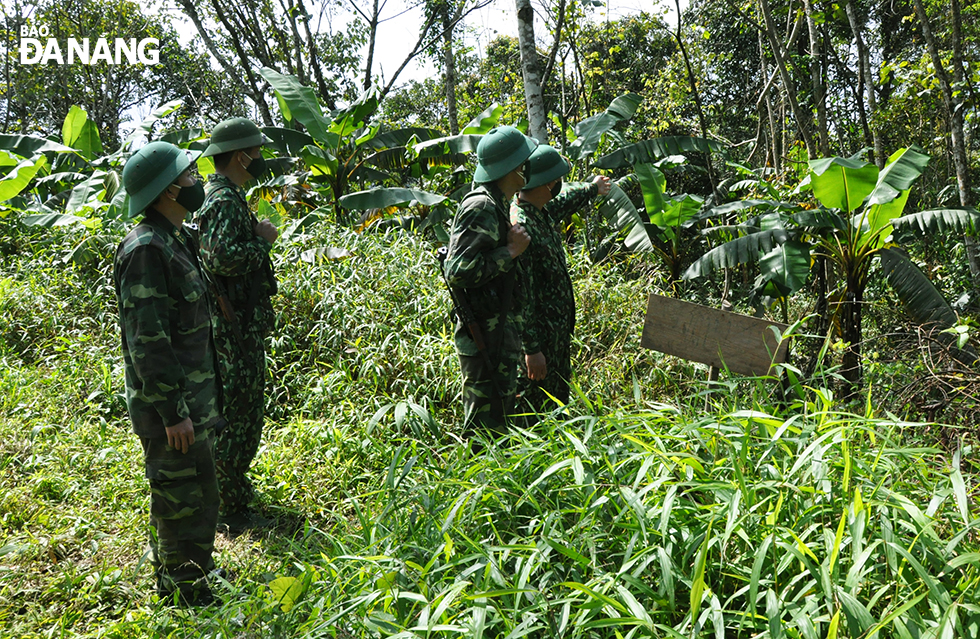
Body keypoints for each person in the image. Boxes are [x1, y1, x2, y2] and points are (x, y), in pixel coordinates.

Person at [114, 141, 220, 606]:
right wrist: (173, 412)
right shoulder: (145, 249)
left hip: (192, 400)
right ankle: (183, 594)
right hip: (171, 408)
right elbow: (147, 341)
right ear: (167, 190)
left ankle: (196, 574)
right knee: (179, 501)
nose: (197, 179)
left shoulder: (176, 239)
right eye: (189, 174)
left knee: (200, 494)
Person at [195, 118, 278, 534]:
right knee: (239, 414)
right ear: (240, 155)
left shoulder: (227, 196)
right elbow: (221, 258)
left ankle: (233, 496)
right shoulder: (224, 200)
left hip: (239, 322)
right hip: (232, 327)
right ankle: (230, 508)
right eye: (256, 152)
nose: (260, 158)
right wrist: (262, 239)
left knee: (243, 412)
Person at [443, 125, 537, 439]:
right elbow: (458, 269)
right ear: (510, 167)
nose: (526, 167)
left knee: (499, 421)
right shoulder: (480, 206)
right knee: (482, 430)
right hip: (485, 335)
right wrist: (510, 251)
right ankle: (474, 485)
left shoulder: (497, 204)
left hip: (499, 334)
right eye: (521, 161)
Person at [511, 145, 611, 415]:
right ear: (547, 184)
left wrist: (592, 188)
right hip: (539, 341)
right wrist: (532, 350)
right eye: (556, 181)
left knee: (556, 403)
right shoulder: (522, 226)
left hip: (554, 336)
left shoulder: (539, 211)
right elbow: (522, 294)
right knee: (533, 407)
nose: (558, 186)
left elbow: (564, 202)